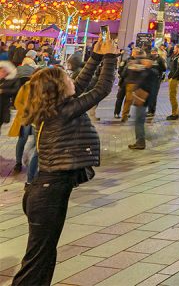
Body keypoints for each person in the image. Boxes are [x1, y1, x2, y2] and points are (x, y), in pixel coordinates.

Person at [12, 39, 117, 286]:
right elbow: (101, 89)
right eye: (67, 78)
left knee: (43, 256)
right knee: (38, 259)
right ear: (58, 88)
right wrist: (110, 57)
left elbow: (79, 85)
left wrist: (96, 56)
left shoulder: (56, 107)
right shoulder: (62, 112)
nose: (72, 79)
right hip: (48, 194)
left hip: (46, 191)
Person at [128, 56, 159, 150]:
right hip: (141, 98)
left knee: (139, 121)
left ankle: (141, 142)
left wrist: (149, 102)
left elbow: (151, 89)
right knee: (139, 120)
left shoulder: (151, 73)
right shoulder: (146, 71)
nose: (144, 62)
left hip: (143, 99)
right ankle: (142, 140)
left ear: (150, 62)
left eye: (146, 61)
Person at [166, 44, 179, 120]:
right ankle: (175, 112)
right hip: (173, 77)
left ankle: (175, 114)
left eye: (175, 48)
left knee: (172, 96)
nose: (173, 49)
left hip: (175, 78)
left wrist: (172, 77)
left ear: (178, 49)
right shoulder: (176, 56)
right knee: (172, 95)